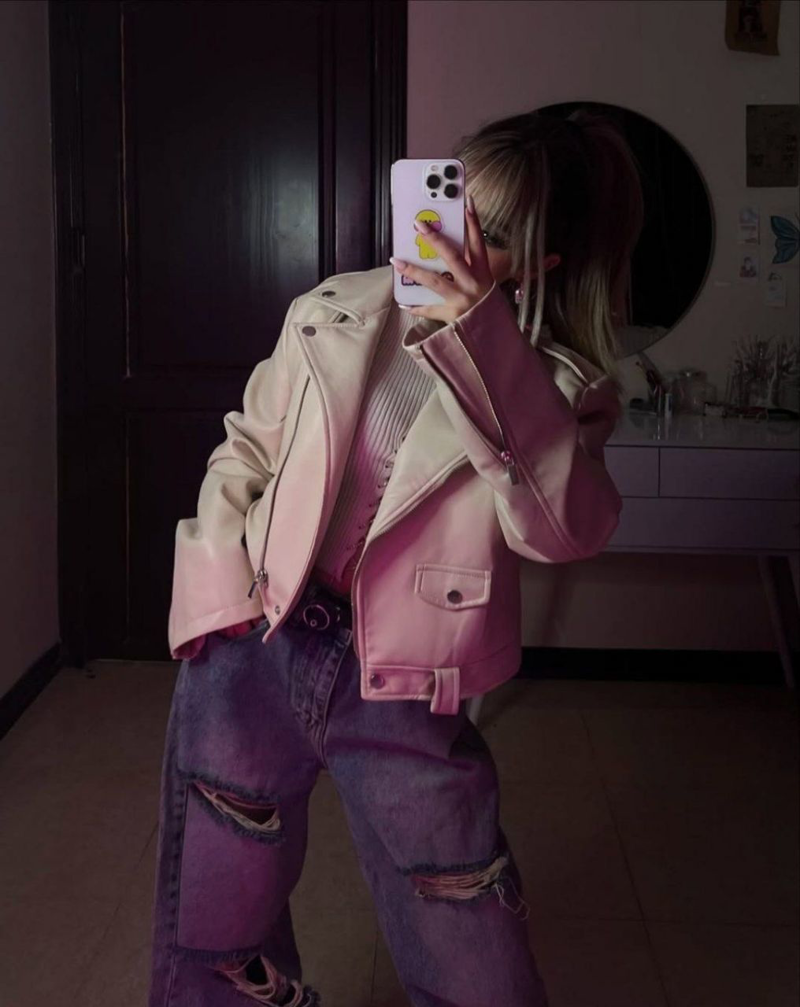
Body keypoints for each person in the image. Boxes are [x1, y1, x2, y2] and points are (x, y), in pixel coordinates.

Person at [148, 109, 643, 1007]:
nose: (452, 236)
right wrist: (214, 600)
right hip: (257, 639)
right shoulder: (331, 309)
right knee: (220, 927)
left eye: (491, 230)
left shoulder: (559, 388)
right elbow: (245, 451)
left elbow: (565, 531)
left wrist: (481, 340)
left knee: (470, 935)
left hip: (406, 682)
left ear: (539, 263)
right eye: (454, 198)